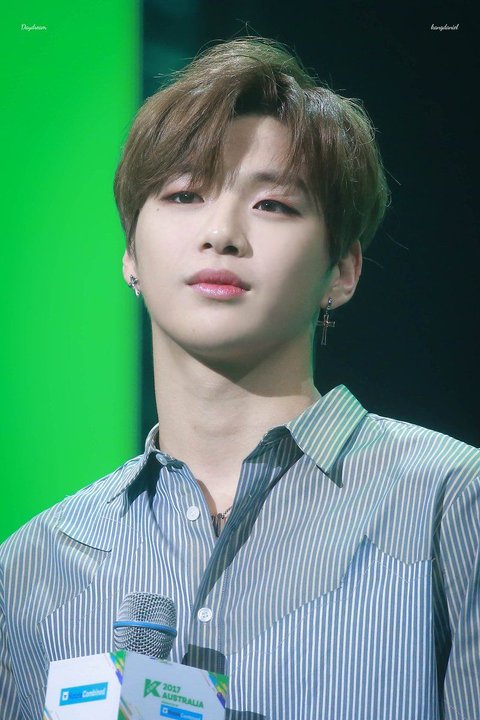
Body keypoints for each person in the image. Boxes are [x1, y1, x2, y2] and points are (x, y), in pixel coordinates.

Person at [0, 37, 478, 720]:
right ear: (131, 255)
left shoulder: (451, 502)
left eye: (273, 205)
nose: (221, 233)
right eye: (184, 194)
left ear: (343, 271)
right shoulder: (33, 566)